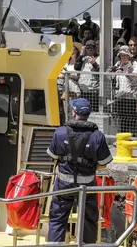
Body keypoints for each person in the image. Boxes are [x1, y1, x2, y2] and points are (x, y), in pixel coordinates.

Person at [46, 98, 112, 244]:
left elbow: (53, 156)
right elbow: (103, 165)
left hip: (63, 185)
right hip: (87, 186)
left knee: (57, 218)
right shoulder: (97, 136)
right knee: (89, 220)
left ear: (74, 112)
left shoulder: (60, 132)